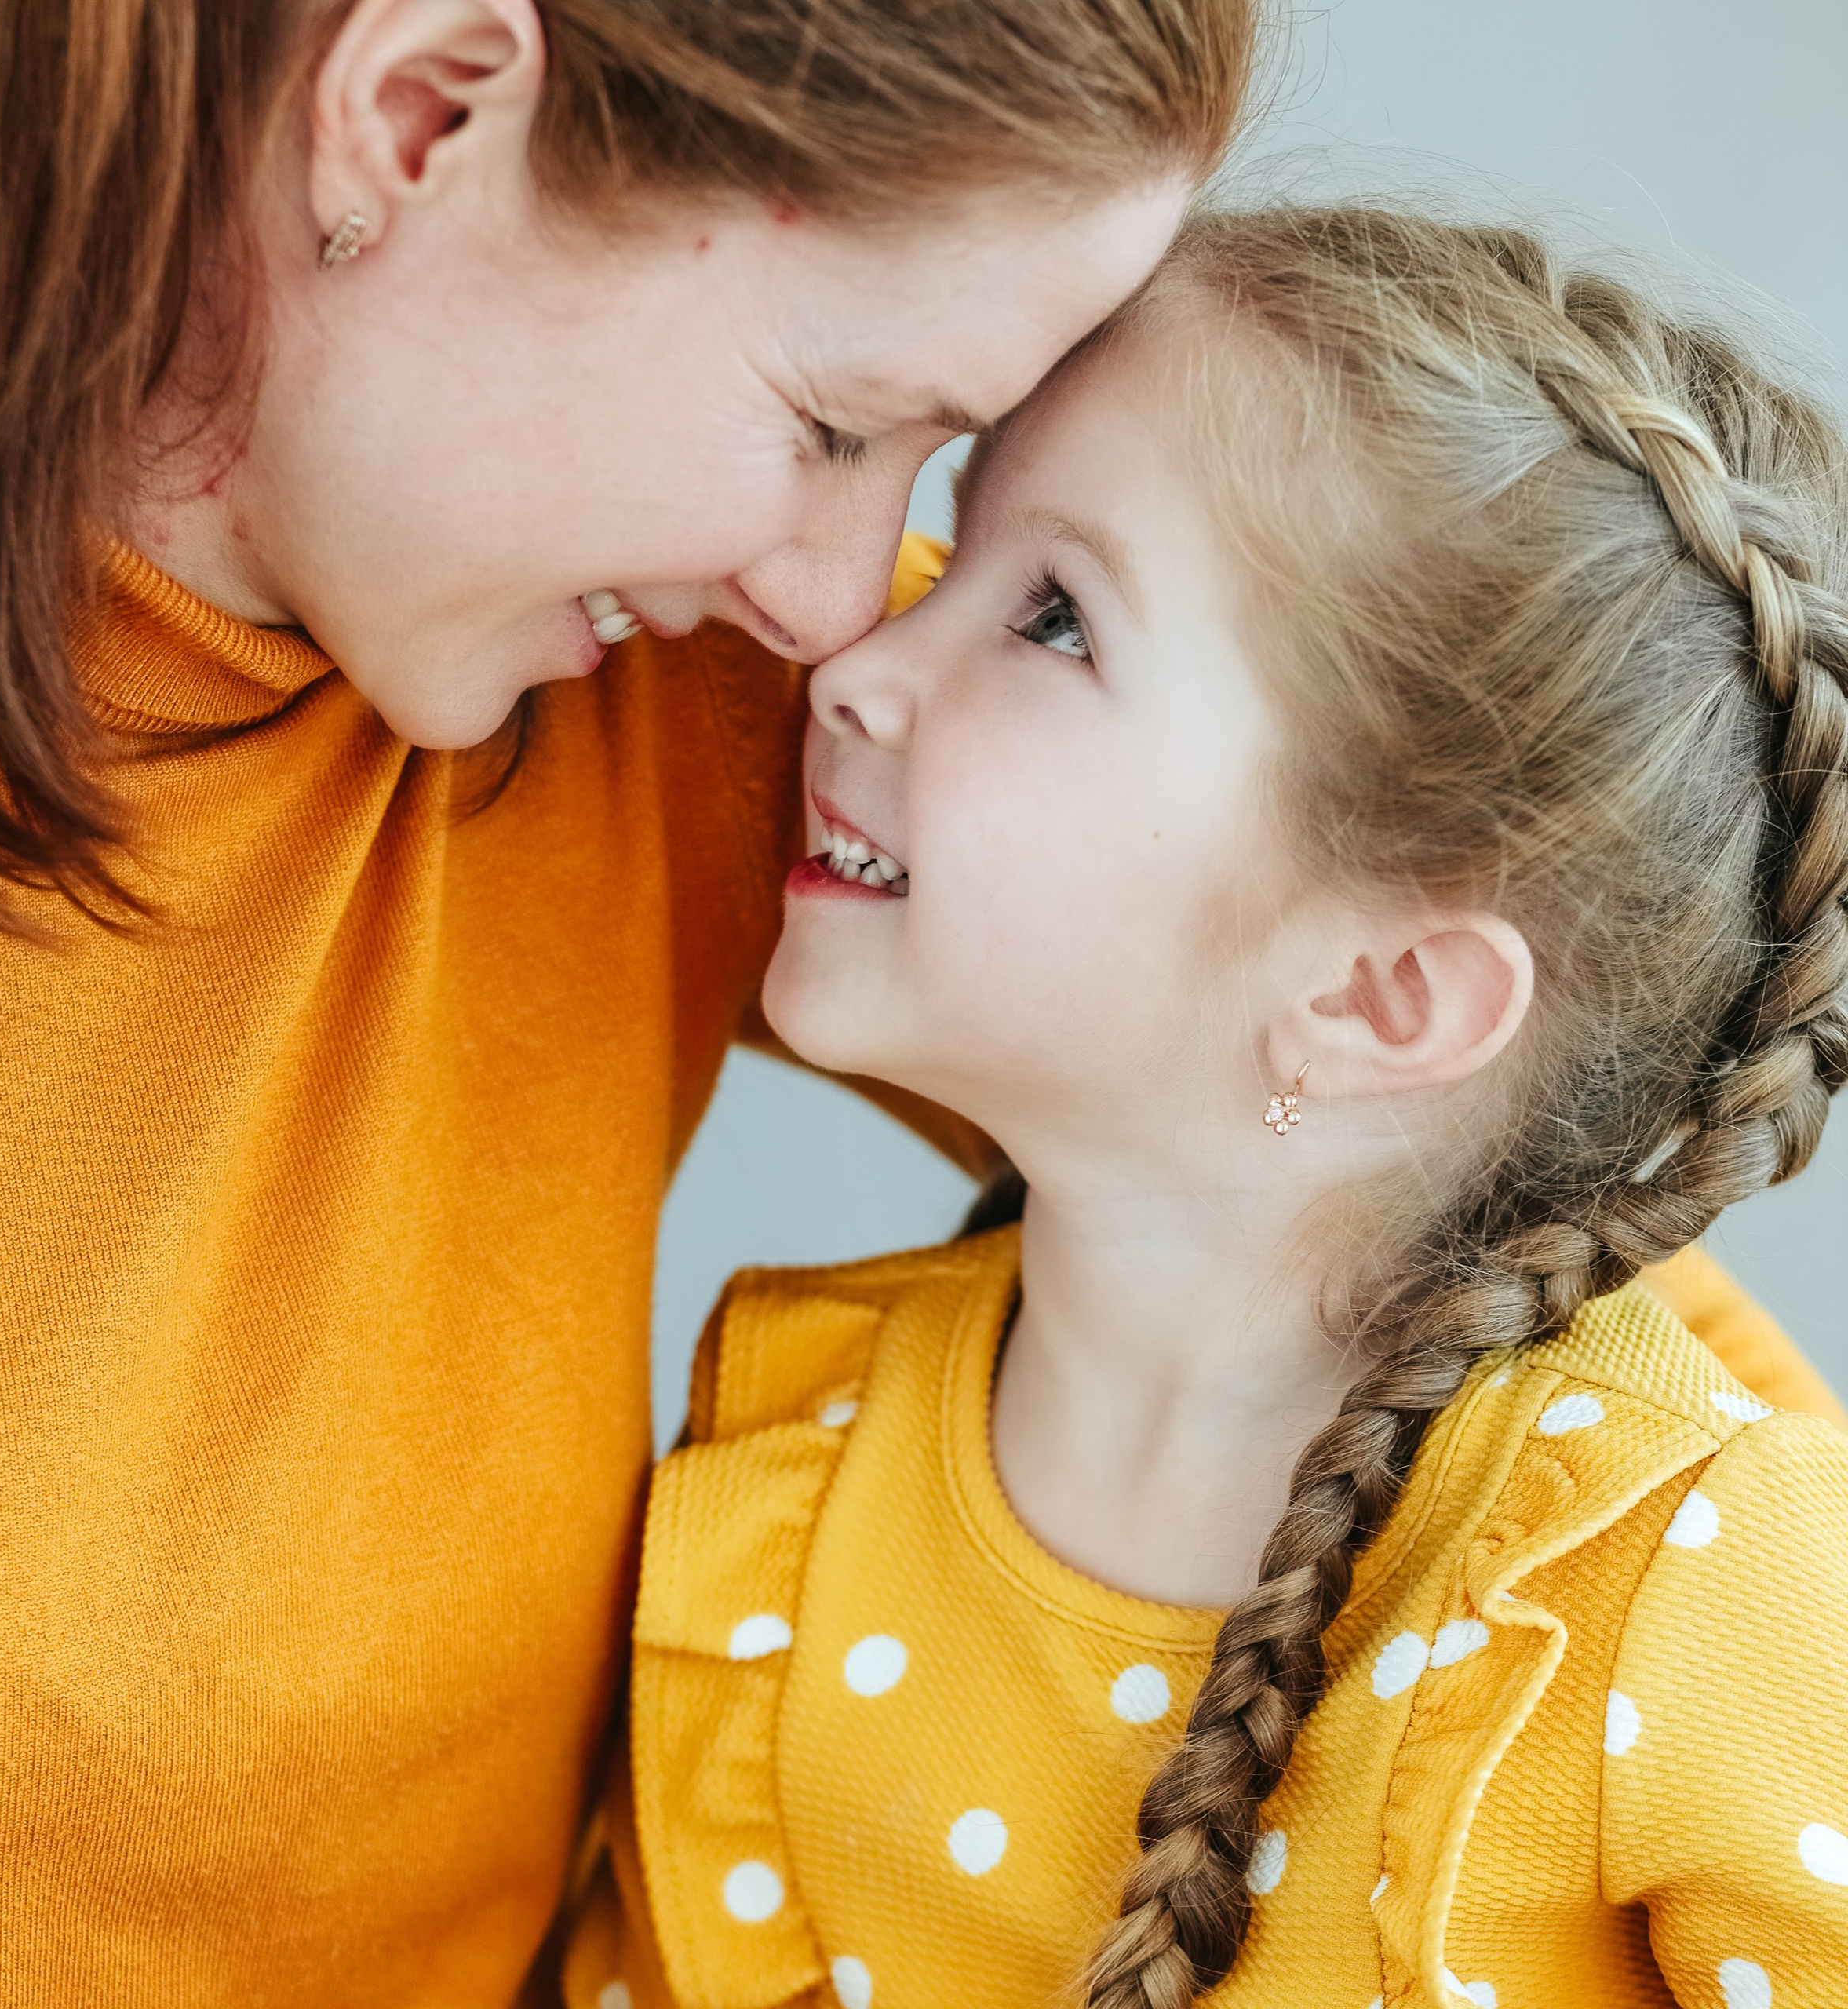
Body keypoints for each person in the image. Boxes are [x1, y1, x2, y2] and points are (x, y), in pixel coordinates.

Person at [0, 2, 1258, 2001]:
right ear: (414, 116)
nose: (847, 598)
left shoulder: (719, 687)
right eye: (831, 422)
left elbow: (1407, 1131)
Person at [560, 206, 1848, 2009]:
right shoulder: (797, 1448)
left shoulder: (1689, 1598)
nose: (854, 652)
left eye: (1053, 617)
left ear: (1378, 994)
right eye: (967, 542)